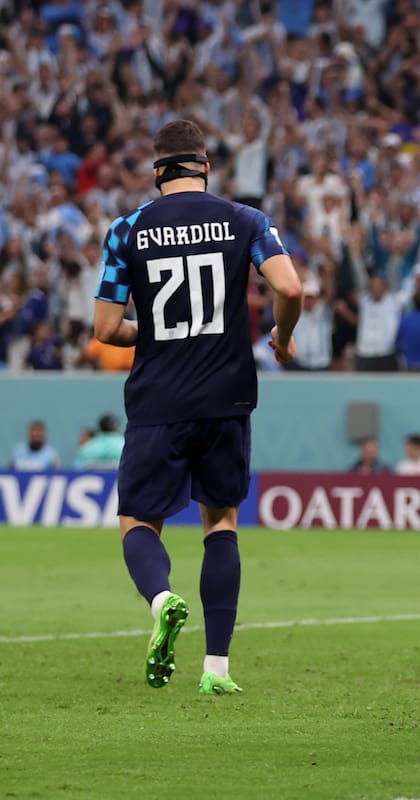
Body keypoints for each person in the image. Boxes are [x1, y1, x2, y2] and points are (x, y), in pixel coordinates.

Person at [93, 119, 302, 696]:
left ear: (157, 172)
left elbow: (106, 328)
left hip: (158, 398)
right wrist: (282, 339)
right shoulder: (245, 220)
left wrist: (156, 329)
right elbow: (291, 288)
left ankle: (162, 598)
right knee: (222, 522)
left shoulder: (127, 229)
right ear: (206, 167)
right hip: (226, 396)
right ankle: (217, 669)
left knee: (139, 522)